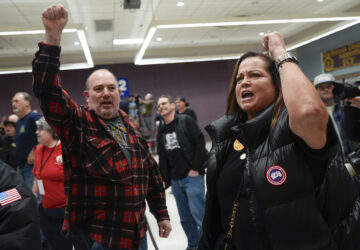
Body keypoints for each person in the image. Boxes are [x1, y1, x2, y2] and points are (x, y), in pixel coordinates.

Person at [199, 32, 360, 250]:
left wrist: (280, 53)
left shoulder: (291, 131)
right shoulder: (226, 139)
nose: (245, 81)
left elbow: (308, 111)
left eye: (255, 75)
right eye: (239, 78)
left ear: (277, 84)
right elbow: (217, 218)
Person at [32, 4, 171, 250]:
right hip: (101, 237)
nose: (106, 93)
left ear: (119, 93)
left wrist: (161, 213)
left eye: (111, 88)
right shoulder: (78, 124)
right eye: (98, 89)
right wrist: (52, 37)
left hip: (136, 232)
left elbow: (151, 175)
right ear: (87, 96)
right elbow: (48, 92)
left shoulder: (131, 126)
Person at [157, 95, 206, 250]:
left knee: (199, 214)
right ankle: (193, 245)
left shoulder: (185, 121)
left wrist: (196, 168)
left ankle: (210, 244)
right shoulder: (161, 130)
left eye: (164, 103)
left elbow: (200, 142)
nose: (161, 107)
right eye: (158, 105)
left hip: (192, 177)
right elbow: (162, 156)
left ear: (172, 106)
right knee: (185, 218)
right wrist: (166, 180)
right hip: (176, 181)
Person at [32, 117, 73, 250]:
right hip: (46, 209)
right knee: (52, 243)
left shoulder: (65, 149)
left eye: (40, 129)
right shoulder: (39, 149)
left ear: (51, 131)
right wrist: (35, 193)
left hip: (65, 211)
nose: (37, 132)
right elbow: (37, 174)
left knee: (64, 245)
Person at [0, 159, 41, 250]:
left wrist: (42, 193)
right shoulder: (40, 151)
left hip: (57, 201)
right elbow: (38, 174)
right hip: (45, 199)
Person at [12, 91, 42, 188]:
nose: (13, 104)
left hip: (33, 166)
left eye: (16, 101)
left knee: (35, 196)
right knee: (22, 195)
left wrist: (35, 150)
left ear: (27, 103)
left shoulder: (33, 118)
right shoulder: (18, 123)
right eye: (12, 102)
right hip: (21, 167)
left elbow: (50, 134)